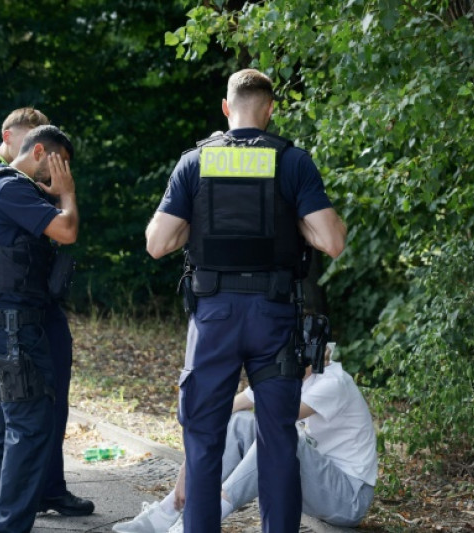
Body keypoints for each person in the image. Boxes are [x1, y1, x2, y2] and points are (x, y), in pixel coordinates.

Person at [145, 68, 347, 533]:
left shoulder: (195, 162)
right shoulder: (292, 162)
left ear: (225, 107)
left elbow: (157, 243)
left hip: (213, 317)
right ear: (270, 110)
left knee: (203, 441)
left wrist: (198, 222)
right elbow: (332, 241)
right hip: (273, 317)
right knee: (277, 441)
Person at [0, 108, 93, 517]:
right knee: (13, 421)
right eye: (58, 164)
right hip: (6, 319)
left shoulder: (17, 185)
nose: (60, 174)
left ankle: (24, 501)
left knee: (35, 412)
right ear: (32, 147)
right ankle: (0, 515)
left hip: (27, 311)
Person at [112, 348, 377, 533]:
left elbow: (278, 418)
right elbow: (227, 409)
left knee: (282, 436)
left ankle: (205, 517)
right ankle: (169, 510)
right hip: (314, 486)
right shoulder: (291, 372)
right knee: (239, 422)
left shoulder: (334, 383)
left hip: (348, 498)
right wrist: (188, 464)